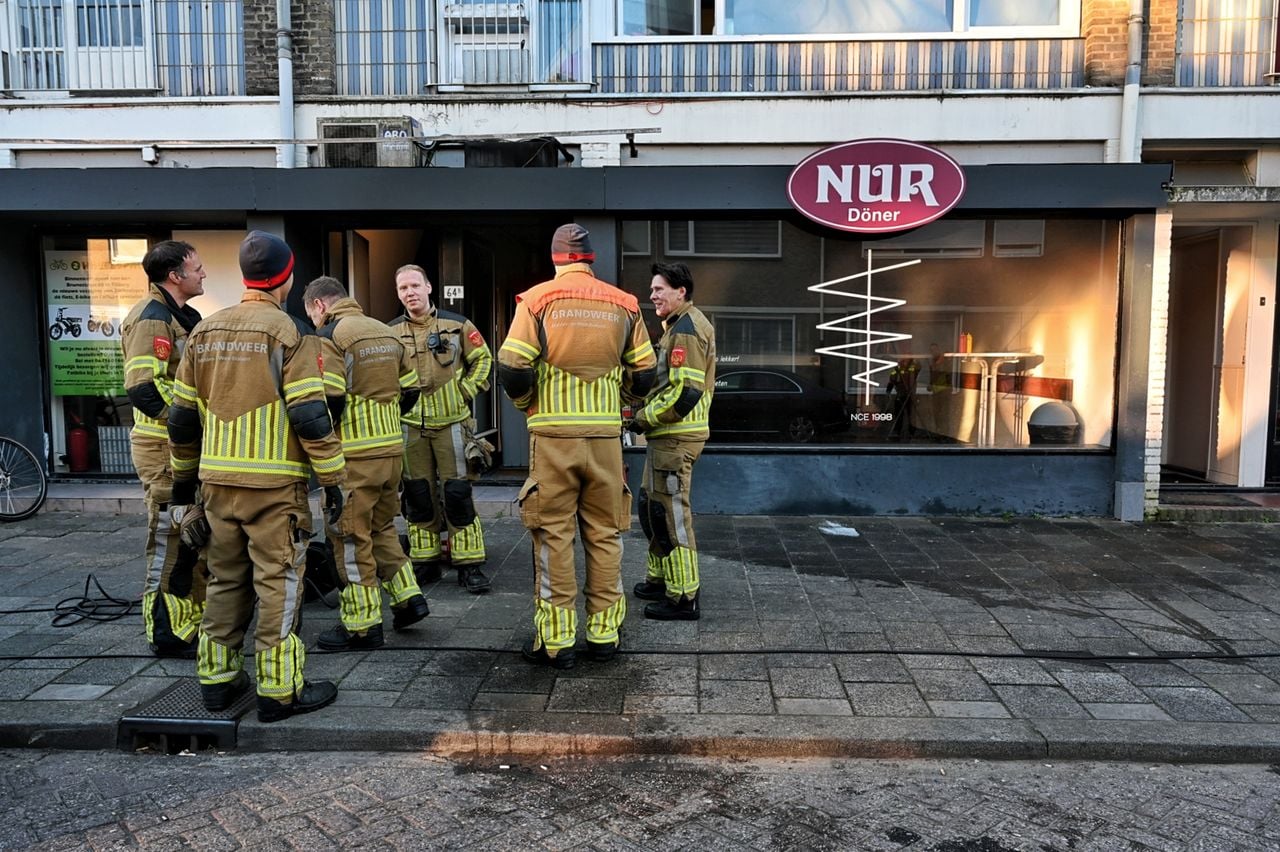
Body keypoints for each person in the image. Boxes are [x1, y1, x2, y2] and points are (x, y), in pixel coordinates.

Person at [168, 231, 346, 723]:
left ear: (246, 277)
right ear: (286, 279)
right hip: (275, 490)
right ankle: (279, 690)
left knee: (224, 580)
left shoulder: (203, 333)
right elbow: (311, 418)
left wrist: (184, 492)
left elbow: (182, 421)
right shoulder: (291, 335)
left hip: (217, 487)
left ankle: (218, 682)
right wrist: (332, 481)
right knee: (279, 583)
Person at [498, 224, 656, 669]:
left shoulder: (537, 301)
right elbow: (645, 373)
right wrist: (620, 401)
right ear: (590, 260)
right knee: (605, 535)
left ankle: (557, 641)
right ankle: (604, 635)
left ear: (556, 259)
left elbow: (512, 365)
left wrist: (528, 402)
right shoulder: (624, 304)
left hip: (552, 439)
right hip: (605, 439)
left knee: (553, 537)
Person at [302, 276, 431, 652]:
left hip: (352, 458)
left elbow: (331, 398)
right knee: (383, 528)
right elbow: (410, 389)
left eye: (311, 314)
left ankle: (362, 625)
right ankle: (409, 600)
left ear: (319, 306)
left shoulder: (330, 335)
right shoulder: (386, 331)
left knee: (348, 538)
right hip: (391, 452)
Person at [120, 240, 208, 658]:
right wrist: (186, 423)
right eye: (197, 267)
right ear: (175, 275)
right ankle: (167, 632)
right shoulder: (152, 318)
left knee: (192, 535)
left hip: (183, 448)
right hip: (163, 448)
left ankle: (190, 620)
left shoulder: (181, 317)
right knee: (171, 539)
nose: (203, 273)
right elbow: (143, 387)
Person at [390, 265, 494, 594]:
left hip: (452, 424)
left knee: (457, 493)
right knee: (418, 495)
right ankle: (425, 562)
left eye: (414, 285)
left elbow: (484, 360)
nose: (409, 292)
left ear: (428, 287)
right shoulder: (388, 332)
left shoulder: (458, 324)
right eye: (403, 288)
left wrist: (464, 391)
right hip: (411, 427)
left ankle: (470, 564)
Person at [628, 262, 715, 621]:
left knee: (671, 515)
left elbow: (685, 392)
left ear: (681, 291)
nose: (652, 295)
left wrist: (641, 418)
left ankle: (683, 597)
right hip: (665, 439)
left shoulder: (686, 330)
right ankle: (662, 578)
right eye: (652, 290)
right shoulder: (675, 327)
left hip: (676, 439)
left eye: (659, 289)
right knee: (652, 509)